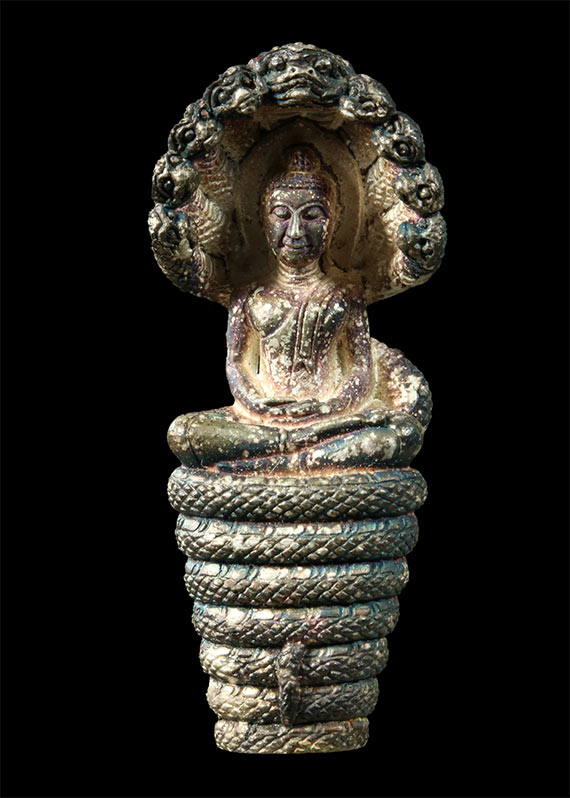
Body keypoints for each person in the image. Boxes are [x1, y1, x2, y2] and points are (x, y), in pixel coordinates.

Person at [161, 145, 430, 474]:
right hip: (263, 421)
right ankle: (303, 457)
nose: (296, 231)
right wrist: (256, 404)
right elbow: (237, 364)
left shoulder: (346, 294)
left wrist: (332, 407)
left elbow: (360, 369)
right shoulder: (248, 295)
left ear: (332, 222)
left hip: (331, 419)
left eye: (312, 215)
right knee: (184, 433)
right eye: (282, 215)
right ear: (264, 220)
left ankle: (273, 460)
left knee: (399, 437)